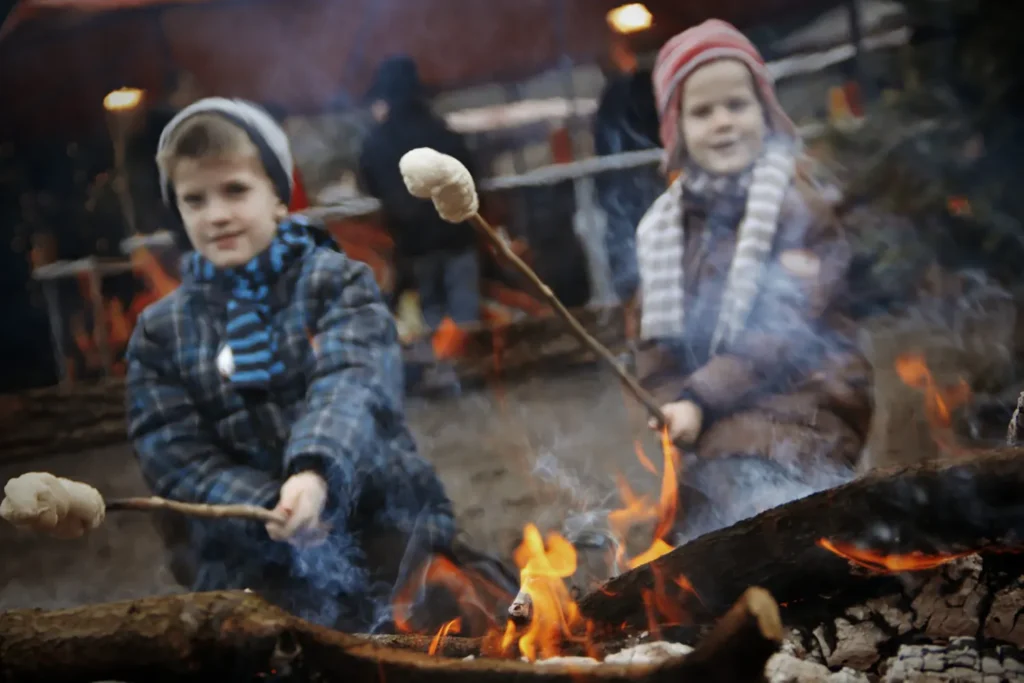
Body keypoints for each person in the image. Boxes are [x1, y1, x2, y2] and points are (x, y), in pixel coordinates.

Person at [124, 97, 458, 631]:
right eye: (195, 199)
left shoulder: (337, 282)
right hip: (250, 558)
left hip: (382, 524)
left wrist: (313, 471)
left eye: (235, 189)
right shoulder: (160, 333)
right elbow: (173, 453)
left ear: (279, 197)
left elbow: (356, 381)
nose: (217, 214)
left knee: (448, 625)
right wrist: (264, 508)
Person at [634, 20, 874, 537]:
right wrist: (671, 403)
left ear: (766, 114)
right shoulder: (663, 230)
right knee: (692, 521)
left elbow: (781, 332)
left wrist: (698, 399)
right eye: (701, 111)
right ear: (676, 131)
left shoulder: (796, 206)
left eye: (737, 105)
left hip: (808, 400)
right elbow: (655, 343)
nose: (722, 122)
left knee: (755, 500)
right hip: (719, 414)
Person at [358, 56, 481, 376]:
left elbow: (370, 184)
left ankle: (443, 375)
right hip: (457, 236)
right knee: (466, 313)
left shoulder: (376, 143)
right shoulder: (442, 132)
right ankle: (474, 373)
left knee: (432, 314)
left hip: (414, 245)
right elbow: (472, 174)